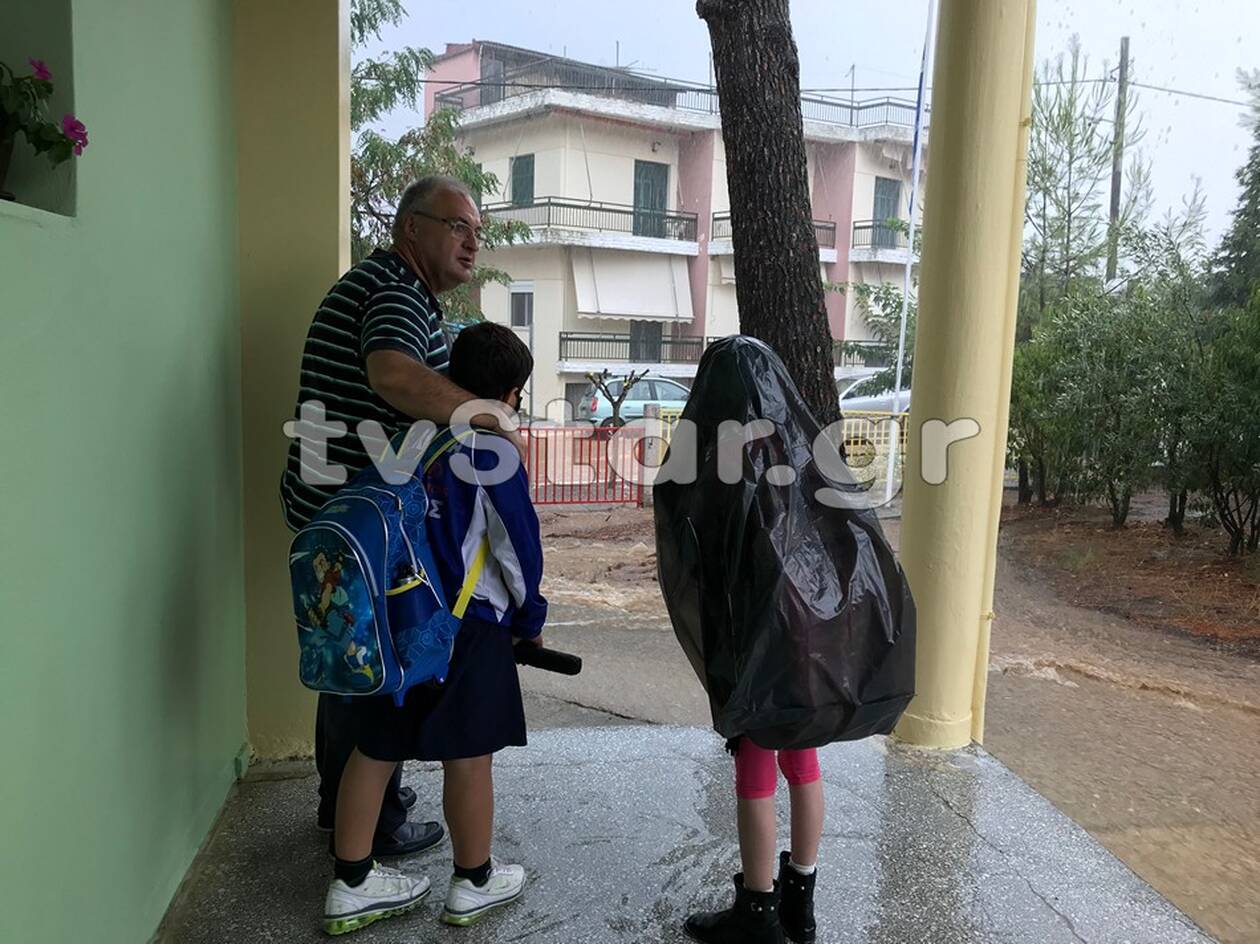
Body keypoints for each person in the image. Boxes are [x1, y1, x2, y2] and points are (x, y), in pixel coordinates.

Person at [279, 175, 523, 859]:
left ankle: (347, 800)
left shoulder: (394, 288)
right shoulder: (396, 290)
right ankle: (371, 830)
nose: (472, 242)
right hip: (358, 518)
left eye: (478, 231)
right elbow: (392, 375)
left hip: (346, 510)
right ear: (412, 227)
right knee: (367, 665)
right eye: (458, 226)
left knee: (352, 652)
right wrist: (486, 413)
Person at [322, 320, 547, 934]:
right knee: (469, 752)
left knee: (375, 747)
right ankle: (473, 881)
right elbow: (517, 549)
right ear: (509, 395)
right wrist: (531, 619)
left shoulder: (410, 439)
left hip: (394, 619)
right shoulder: (491, 452)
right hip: (466, 626)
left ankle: (352, 884)